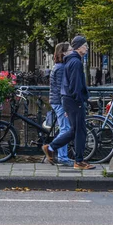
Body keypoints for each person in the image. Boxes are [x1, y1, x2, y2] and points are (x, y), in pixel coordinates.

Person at [42, 35, 95, 170]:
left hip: (68, 100)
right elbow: (75, 85)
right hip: (73, 100)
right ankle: (78, 161)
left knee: (74, 130)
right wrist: (80, 101)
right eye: (85, 45)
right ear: (79, 47)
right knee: (80, 131)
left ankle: (51, 147)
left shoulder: (69, 62)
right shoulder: (76, 63)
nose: (87, 48)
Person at [47, 42, 72, 166]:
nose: (72, 51)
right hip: (59, 102)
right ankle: (59, 155)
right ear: (64, 52)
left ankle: (59, 154)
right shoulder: (62, 68)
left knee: (64, 128)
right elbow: (62, 88)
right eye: (70, 50)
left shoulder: (57, 66)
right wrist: (66, 107)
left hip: (55, 100)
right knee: (65, 129)